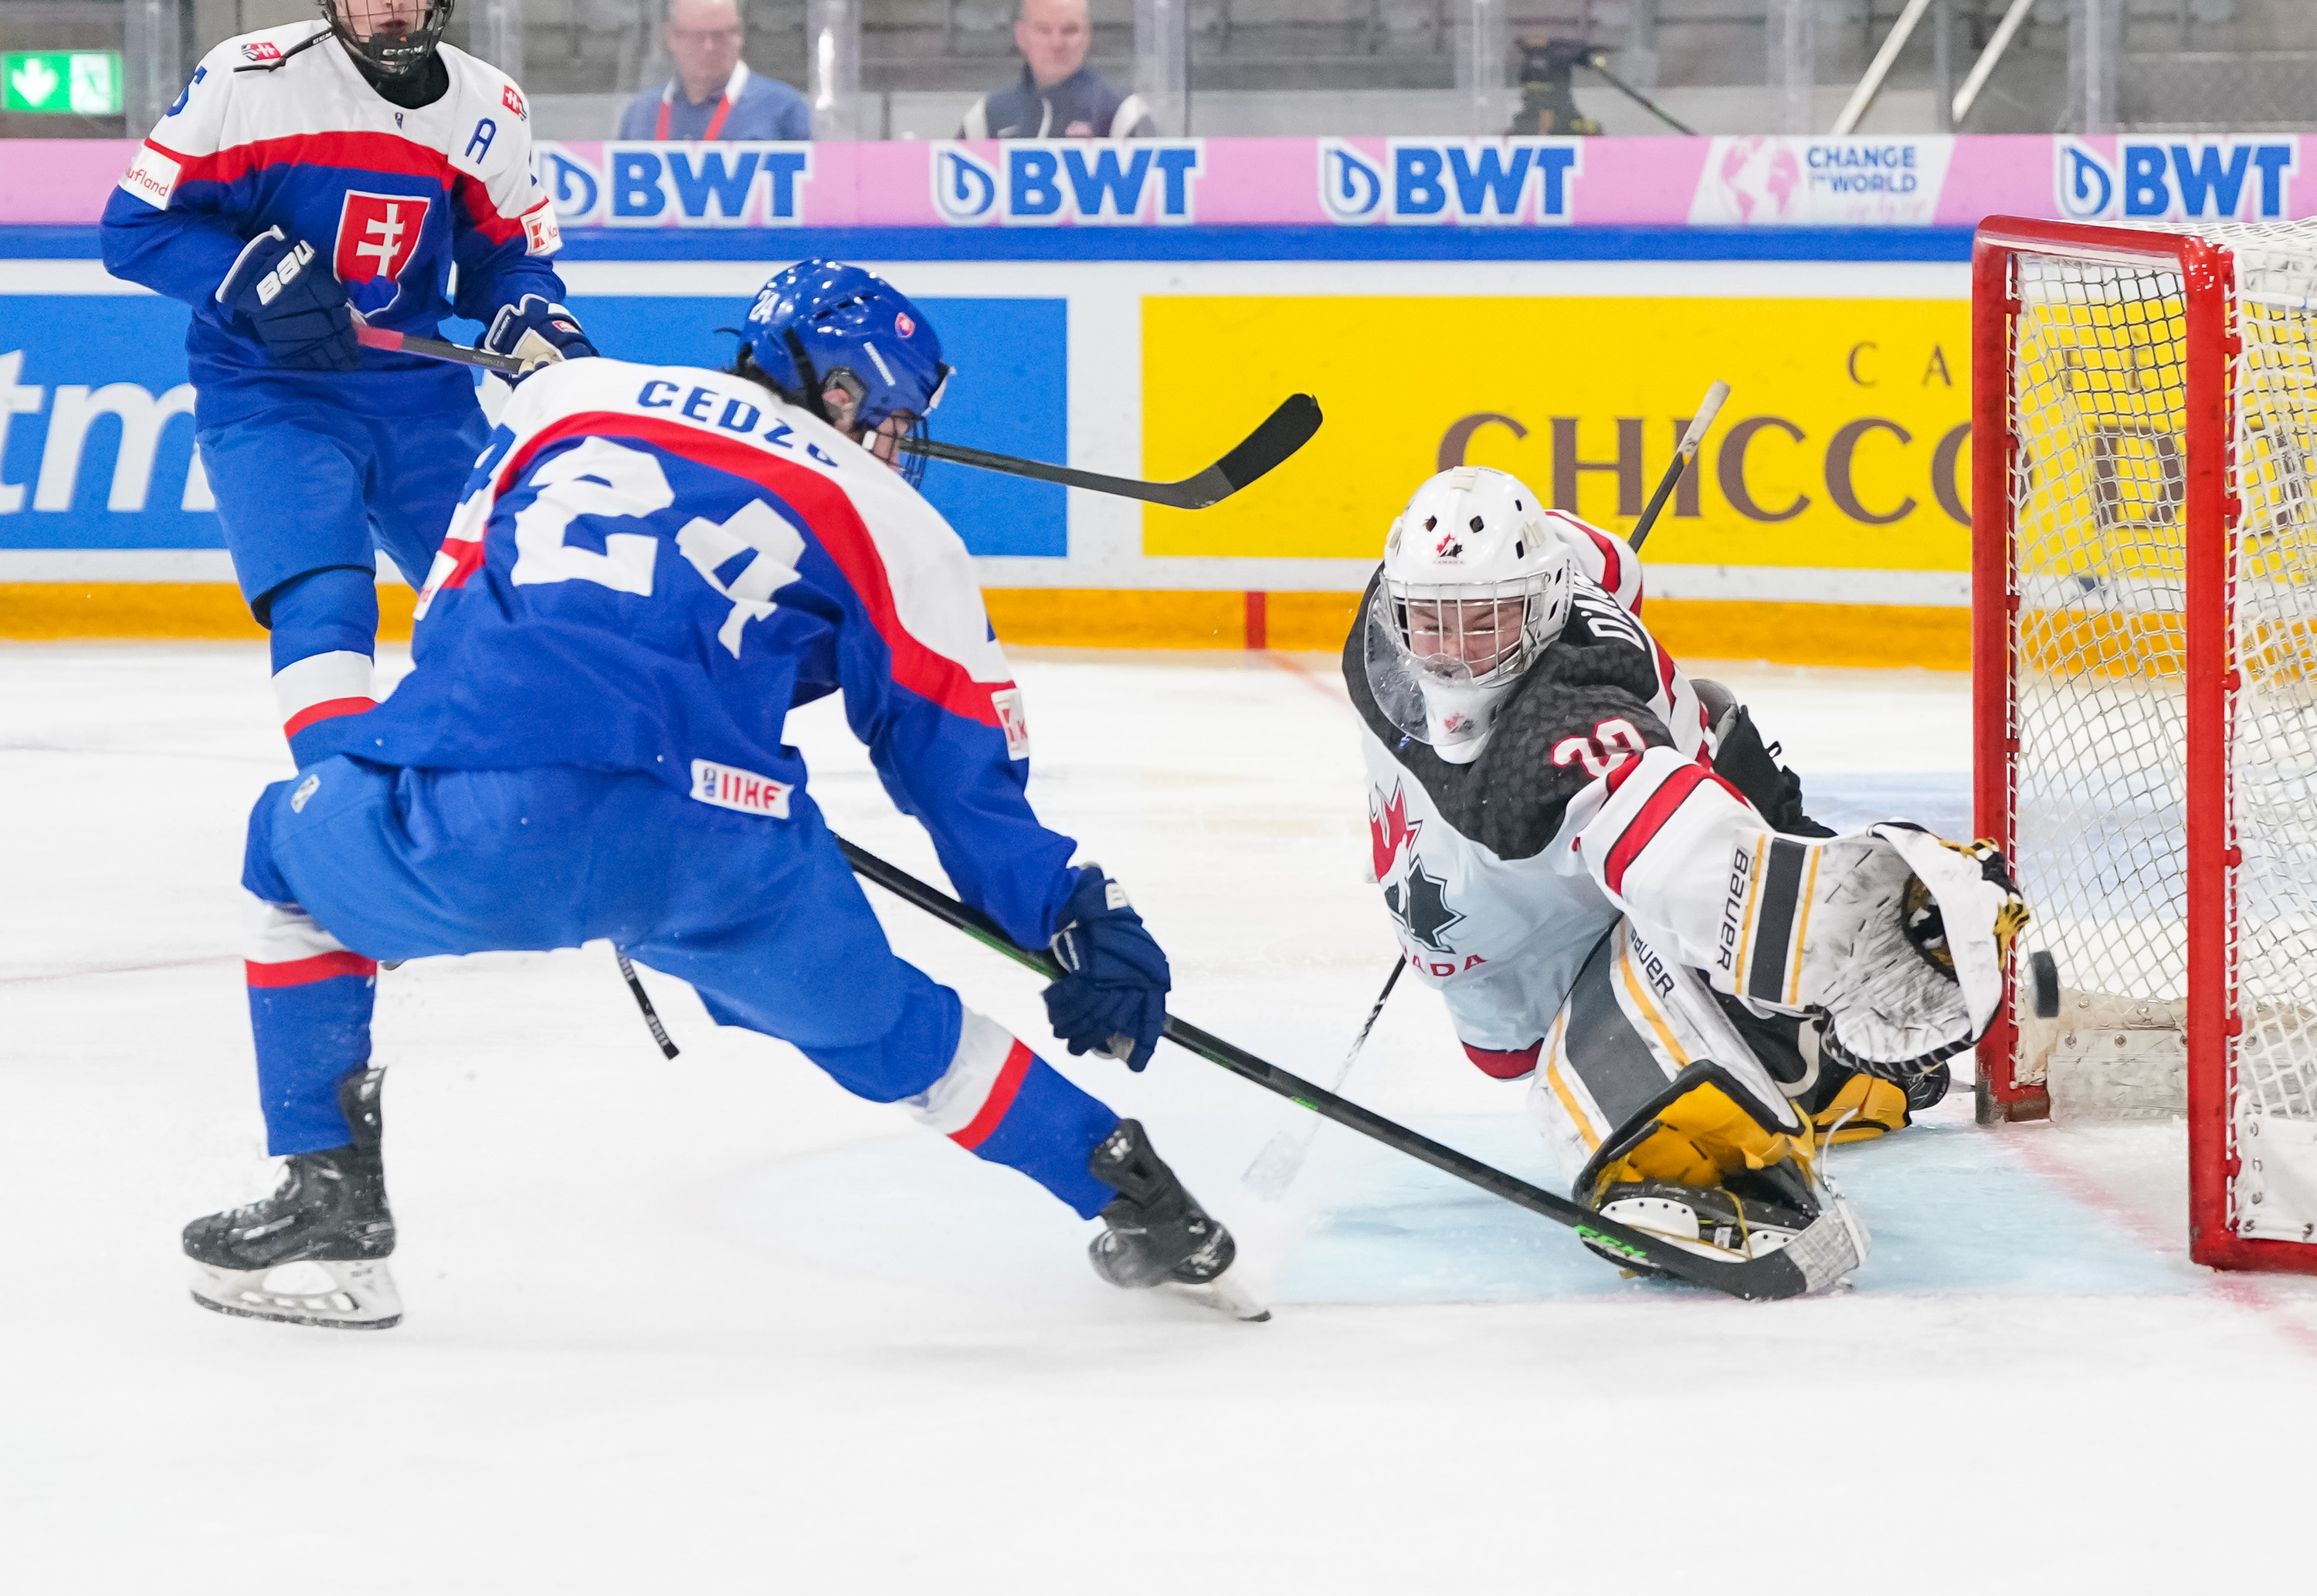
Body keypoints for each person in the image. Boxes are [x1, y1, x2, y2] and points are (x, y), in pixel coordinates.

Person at [180, 261, 1258, 1330]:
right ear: (840, 391)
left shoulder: (567, 398)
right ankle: (1144, 1199)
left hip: (501, 801)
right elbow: (955, 765)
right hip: (722, 846)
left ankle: (332, 1210)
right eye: (890, 414)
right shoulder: (896, 521)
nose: (896, 442)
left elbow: (462, 594)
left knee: (286, 854)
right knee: (897, 1033)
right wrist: (1071, 910)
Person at [1348, 465, 2026, 1279]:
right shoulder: (1400, 615)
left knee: (1670, 971)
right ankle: (1799, 1042)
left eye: (1486, 622)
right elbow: (1606, 559)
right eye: (1432, 622)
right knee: (1513, 1045)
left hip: (1648, 850)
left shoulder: (1564, 730)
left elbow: (1690, 863)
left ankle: (1811, 1062)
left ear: (1544, 604)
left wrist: (1846, 932)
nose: (1454, 655)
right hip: (1504, 946)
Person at [100, 0, 596, 763]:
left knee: (506, 604)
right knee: (324, 598)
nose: (390, 6)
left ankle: (529, 795)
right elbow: (135, 226)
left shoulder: (489, 106)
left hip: (422, 401)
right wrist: (251, 275)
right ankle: (335, 804)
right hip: (270, 393)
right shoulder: (249, 76)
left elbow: (509, 260)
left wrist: (533, 316)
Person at [617, 0, 811, 142]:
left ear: (739, 35)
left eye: (719, 35)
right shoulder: (641, 113)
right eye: (696, 36)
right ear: (672, 37)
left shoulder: (782, 109)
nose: (709, 47)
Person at [958, 0, 1155, 139]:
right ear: (1021, 36)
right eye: (1043, 30)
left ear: (1087, 35)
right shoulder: (988, 116)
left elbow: (1158, 194)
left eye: (1070, 30)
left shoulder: (1122, 113)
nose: (1057, 43)